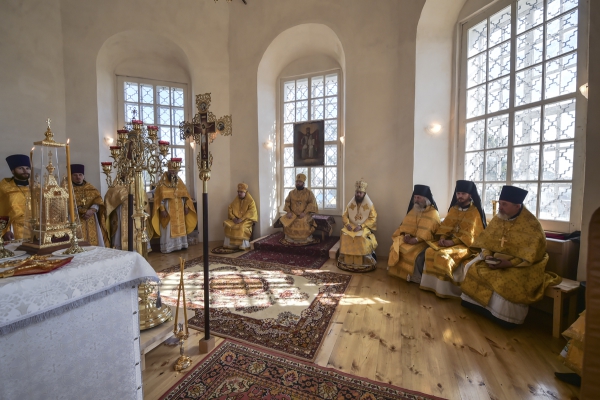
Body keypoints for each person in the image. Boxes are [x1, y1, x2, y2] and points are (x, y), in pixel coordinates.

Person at [460, 185, 561, 328]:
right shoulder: (499, 219)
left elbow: (533, 255)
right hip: (494, 260)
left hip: (522, 265)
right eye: (500, 203)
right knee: (472, 266)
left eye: (504, 204)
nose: (500, 207)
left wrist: (509, 264)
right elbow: (486, 243)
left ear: (517, 205)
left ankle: (505, 318)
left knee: (505, 280)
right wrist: (488, 257)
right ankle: (477, 307)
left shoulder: (531, 225)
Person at [420, 180, 486, 297]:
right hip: (448, 242)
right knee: (429, 251)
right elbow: (446, 226)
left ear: (470, 195)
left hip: (465, 245)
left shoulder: (475, 212)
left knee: (443, 256)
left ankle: (444, 291)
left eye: (463, 194)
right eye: (458, 193)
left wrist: (452, 241)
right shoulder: (454, 209)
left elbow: (471, 236)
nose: (459, 196)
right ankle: (431, 286)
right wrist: (442, 237)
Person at [388, 184, 440, 283]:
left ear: (425, 199)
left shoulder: (433, 213)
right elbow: (406, 225)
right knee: (396, 247)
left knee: (413, 254)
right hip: (410, 238)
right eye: (415, 197)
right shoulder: (413, 210)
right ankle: (402, 274)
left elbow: (428, 231)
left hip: (424, 241)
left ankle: (413, 277)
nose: (416, 200)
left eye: (418, 197)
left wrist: (416, 239)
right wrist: (407, 235)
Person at [151, 165, 197, 253]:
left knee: (180, 226)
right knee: (168, 228)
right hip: (168, 209)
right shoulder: (163, 181)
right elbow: (159, 197)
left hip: (179, 208)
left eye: (175, 172)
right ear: (168, 170)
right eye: (172, 171)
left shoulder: (179, 181)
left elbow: (186, 196)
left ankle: (180, 245)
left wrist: (186, 207)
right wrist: (162, 209)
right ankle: (169, 247)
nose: (174, 174)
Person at [338, 179, 378, 272]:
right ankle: (346, 260)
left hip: (363, 227)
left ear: (364, 194)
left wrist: (361, 226)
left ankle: (363, 261)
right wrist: (347, 224)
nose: (358, 194)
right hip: (351, 227)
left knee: (361, 237)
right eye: (357, 192)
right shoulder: (351, 204)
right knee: (345, 235)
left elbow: (373, 219)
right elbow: (345, 215)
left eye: (360, 193)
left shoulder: (370, 205)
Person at [104, 179, 153, 250]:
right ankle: (120, 248)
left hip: (136, 211)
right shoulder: (115, 186)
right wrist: (121, 198)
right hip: (120, 212)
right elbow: (109, 199)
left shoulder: (137, 185)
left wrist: (137, 199)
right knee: (120, 231)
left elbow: (143, 198)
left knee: (137, 228)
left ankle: (138, 248)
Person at [70, 164, 109, 247]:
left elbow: (98, 200)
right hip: (76, 218)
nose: (78, 177)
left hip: (91, 218)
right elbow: (66, 204)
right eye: (75, 175)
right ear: (71, 176)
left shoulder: (91, 188)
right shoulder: (67, 189)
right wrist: (82, 210)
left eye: (80, 175)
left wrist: (92, 210)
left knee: (94, 243)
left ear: (83, 176)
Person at [0, 154, 32, 241]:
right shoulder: (4, 188)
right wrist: (5, 230)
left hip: (36, 228)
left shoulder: (37, 187)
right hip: (14, 229)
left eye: (27, 168)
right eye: (20, 168)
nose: (25, 171)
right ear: (13, 171)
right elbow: (1, 210)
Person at [280, 173, 318, 243]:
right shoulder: (291, 193)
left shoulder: (309, 193)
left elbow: (311, 203)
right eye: (297, 182)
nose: (298, 183)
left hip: (304, 214)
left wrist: (304, 213)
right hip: (292, 214)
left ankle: (304, 239)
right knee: (289, 221)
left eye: (300, 182)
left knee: (302, 222)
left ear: (303, 183)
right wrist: (288, 212)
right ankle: (291, 239)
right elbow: (287, 202)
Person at [223, 183, 258, 250]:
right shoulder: (236, 199)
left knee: (241, 227)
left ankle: (243, 246)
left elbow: (251, 212)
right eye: (238, 192)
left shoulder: (251, 201)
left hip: (246, 220)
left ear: (245, 192)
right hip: (236, 219)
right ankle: (231, 245)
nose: (239, 193)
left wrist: (241, 219)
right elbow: (230, 207)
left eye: (241, 192)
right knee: (228, 226)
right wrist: (233, 218)